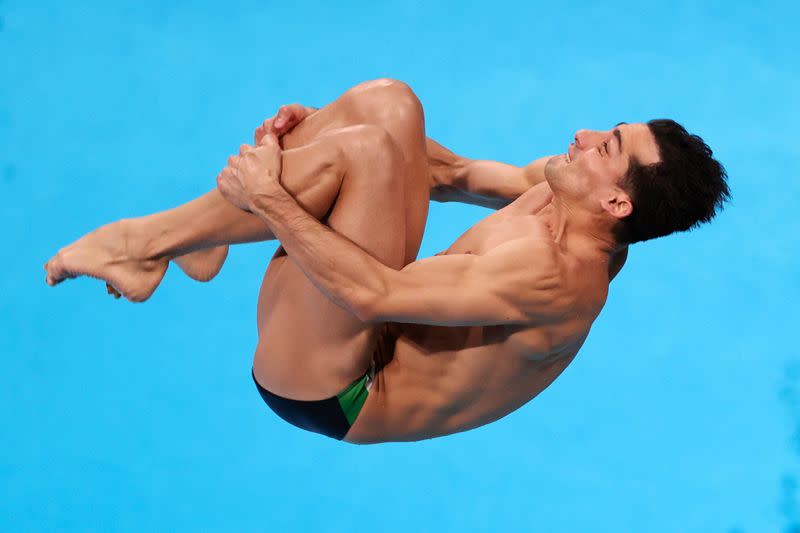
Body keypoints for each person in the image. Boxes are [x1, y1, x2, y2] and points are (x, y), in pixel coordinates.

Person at [43, 78, 730, 443]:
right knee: (386, 106)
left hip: (337, 388)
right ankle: (192, 240)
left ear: (615, 203)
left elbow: (372, 293)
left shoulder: (556, 278)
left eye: (605, 146)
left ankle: (140, 243)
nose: (583, 134)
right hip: (351, 314)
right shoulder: (559, 193)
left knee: (364, 156)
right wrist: (319, 130)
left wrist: (274, 194)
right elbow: (450, 171)